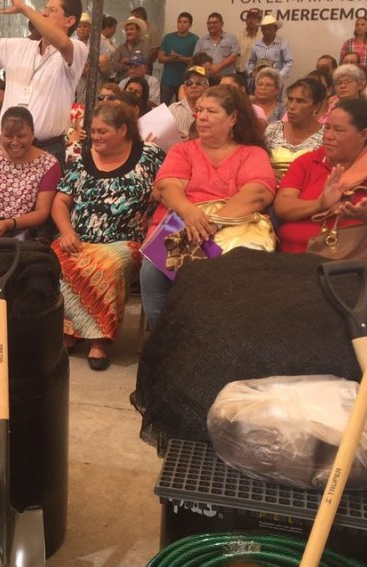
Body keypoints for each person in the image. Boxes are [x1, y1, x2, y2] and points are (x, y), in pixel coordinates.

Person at [139, 85, 277, 329]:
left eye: (211, 112)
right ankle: (165, 342)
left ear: (233, 118)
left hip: (232, 227)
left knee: (232, 273)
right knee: (152, 270)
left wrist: (212, 221)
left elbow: (257, 193)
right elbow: (167, 187)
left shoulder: (252, 154)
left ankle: (213, 344)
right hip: (180, 223)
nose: (201, 117)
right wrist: (189, 213)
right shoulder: (183, 150)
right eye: (200, 110)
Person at [50, 102, 164, 370]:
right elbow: (60, 202)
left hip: (126, 241)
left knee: (107, 266)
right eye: (93, 131)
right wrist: (66, 231)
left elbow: (168, 188)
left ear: (123, 130)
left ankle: (99, 340)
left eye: (103, 131)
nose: (95, 136)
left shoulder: (149, 155)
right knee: (57, 258)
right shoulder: (81, 159)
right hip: (78, 236)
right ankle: (69, 332)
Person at [273, 98, 367, 272]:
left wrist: (366, 215)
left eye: (338, 130)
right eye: (327, 128)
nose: (329, 136)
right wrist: (319, 204)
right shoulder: (308, 161)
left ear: (363, 134)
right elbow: (282, 205)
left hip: (350, 268)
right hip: (288, 261)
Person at [0, 0, 89, 169]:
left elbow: (62, 43)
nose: (44, 13)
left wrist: (24, 9)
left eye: (52, 10)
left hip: (47, 148)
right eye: (44, 9)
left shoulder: (77, 48)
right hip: (8, 145)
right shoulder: (20, 46)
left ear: (70, 21)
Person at [0, 107, 61, 242]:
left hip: (24, 235)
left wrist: (9, 224)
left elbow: (42, 212)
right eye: (8, 136)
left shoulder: (49, 164)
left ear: (32, 135)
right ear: (1, 135)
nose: (15, 142)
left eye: (21, 136)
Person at [264, 78, 325, 180]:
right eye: (290, 99)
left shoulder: (325, 136)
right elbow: (258, 162)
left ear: (317, 106)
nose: (292, 106)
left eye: (300, 101)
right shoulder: (273, 129)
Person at [159, 12, 199, 107]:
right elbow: (160, 58)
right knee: (163, 107)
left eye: (185, 22)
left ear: (190, 25)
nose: (181, 24)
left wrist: (180, 58)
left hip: (186, 81)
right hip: (167, 80)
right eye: (179, 21)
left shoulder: (195, 39)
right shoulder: (168, 38)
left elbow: (196, 60)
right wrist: (171, 58)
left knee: (183, 108)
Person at [194, 12, 239, 79]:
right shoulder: (201, 40)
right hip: (206, 79)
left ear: (222, 24)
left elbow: (234, 56)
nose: (211, 25)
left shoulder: (231, 38)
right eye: (209, 23)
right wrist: (208, 69)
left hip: (226, 79)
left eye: (215, 22)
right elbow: (196, 58)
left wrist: (218, 67)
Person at [169, 65, 208, 140]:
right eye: (189, 83)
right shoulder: (172, 109)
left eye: (199, 83)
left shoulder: (211, 110)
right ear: (184, 88)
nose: (193, 86)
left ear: (207, 87)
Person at [236, 8, 261, 73]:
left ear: (259, 21)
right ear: (246, 20)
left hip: (256, 74)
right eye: (249, 18)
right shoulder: (238, 37)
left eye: (254, 18)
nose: (251, 21)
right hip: (239, 73)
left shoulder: (263, 37)